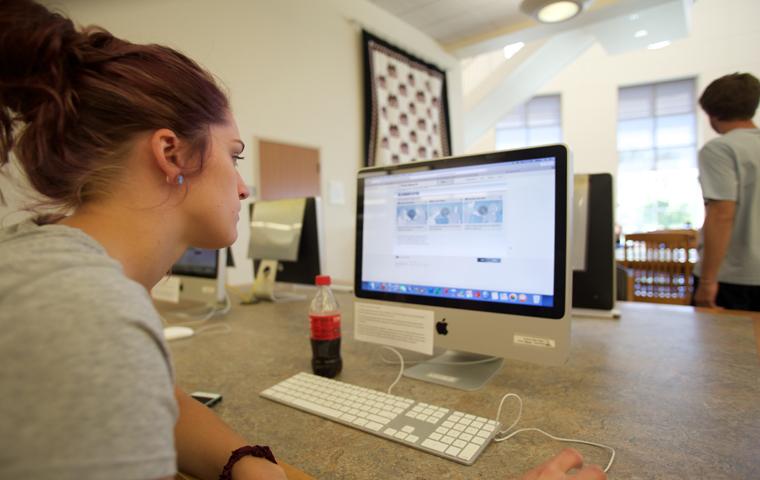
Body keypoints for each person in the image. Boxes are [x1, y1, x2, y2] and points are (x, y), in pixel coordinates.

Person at [0, 1, 606, 479]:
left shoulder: (51, 265)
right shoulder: (87, 315)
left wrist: (244, 461)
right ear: (171, 152)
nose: (243, 188)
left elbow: (154, 402)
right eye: (233, 157)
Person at [693, 72, 760, 311]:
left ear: (712, 113)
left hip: (733, 277)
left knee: (720, 347)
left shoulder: (720, 149)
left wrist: (708, 281)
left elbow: (722, 213)